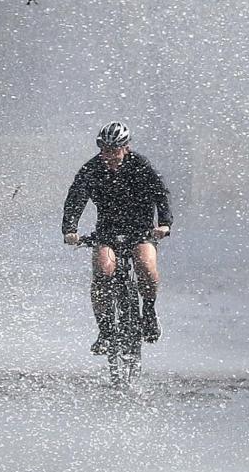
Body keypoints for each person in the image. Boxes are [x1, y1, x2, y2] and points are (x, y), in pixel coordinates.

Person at [62, 121, 173, 354]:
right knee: (103, 273)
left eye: (114, 149)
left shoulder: (140, 166)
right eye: (104, 148)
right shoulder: (91, 169)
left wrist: (164, 224)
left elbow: (160, 194)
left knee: (145, 266)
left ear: (126, 147)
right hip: (107, 231)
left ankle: (149, 313)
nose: (108, 154)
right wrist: (70, 229)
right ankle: (105, 332)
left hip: (141, 230)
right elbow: (76, 198)